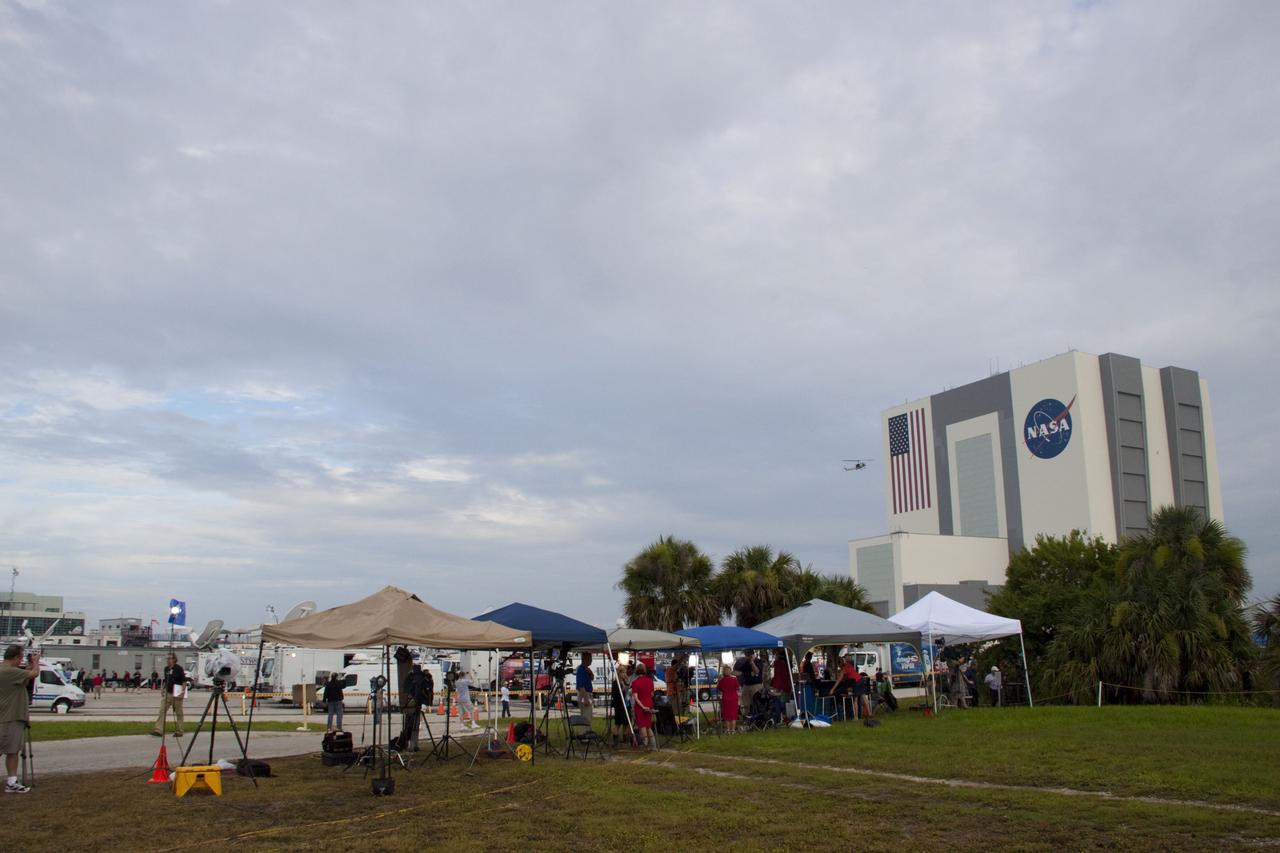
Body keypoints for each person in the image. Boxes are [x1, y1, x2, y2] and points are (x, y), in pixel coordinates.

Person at [1, 645, 38, 793]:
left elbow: (23, 679)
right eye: (20, 658)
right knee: (10, 749)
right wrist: (35, 662)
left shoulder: (8, 671)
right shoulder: (9, 671)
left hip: (10, 716)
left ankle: (12, 780)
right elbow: (34, 674)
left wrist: (28, 666)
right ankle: (11, 782)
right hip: (10, 717)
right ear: (15, 658)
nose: (21, 661)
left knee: (12, 750)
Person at [151, 653, 186, 738]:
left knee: (178, 713)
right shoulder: (166, 669)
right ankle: (158, 730)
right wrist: (163, 688)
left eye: (169, 658)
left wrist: (182, 692)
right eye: (167, 659)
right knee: (162, 711)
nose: (167, 660)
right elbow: (166, 680)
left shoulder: (179, 668)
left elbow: (183, 681)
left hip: (176, 693)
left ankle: (179, 731)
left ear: (174, 659)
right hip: (168, 693)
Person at [629, 662, 657, 750]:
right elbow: (652, 694)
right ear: (645, 671)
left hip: (640, 706)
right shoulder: (650, 681)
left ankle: (645, 746)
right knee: (648, 725)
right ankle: (653, 746)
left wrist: (642, 706)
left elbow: (636, 697)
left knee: (642, 726)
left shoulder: (635, 682)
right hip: (649, 703)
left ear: (637, 671)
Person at [735, 650, 763, 717]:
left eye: (749, 656)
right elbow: (740, 671)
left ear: (753, 655)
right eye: (746, 656)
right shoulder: (746, 662)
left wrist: (752, 662)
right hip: (746, 685)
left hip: (756, 685)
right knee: (745, 703)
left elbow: (756, 672)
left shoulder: (758, 661)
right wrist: (731, 672)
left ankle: (758, 717)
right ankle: (746, 717)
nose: (747, 657)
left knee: (757, 702)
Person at [716, 665, 740, 733]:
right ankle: (733, 729)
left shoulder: (721, 681)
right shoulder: (734, 679)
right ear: (730, 671)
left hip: (726, 698)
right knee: (734, 714)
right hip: (733, 698)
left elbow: (719, 689)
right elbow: (738, 688)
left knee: (727, 714)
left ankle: (728, 729)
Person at [575, 652, 595, 723]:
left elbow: (592, 678)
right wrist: (586, 698)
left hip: (587, 693)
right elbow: (581, 686)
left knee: (588, 716)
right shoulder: (581, 670)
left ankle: (587, 731)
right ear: (585, 659)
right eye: (590, 659)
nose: (591, 661)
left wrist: (590, 672)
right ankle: (585, 732)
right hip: (584, 693)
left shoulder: (586, 669)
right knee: (586, 717)